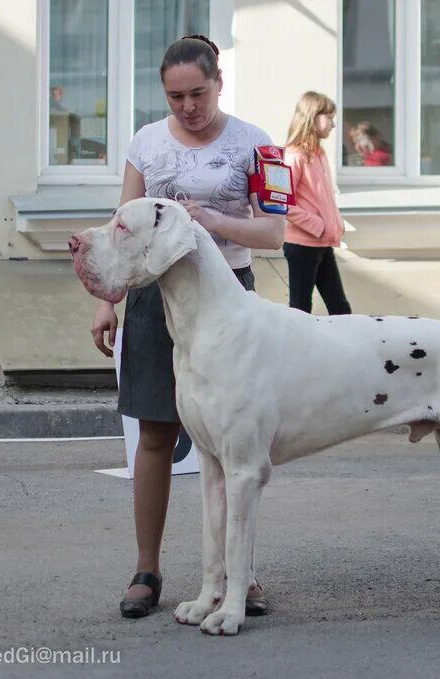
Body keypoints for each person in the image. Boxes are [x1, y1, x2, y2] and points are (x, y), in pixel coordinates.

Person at [90, 35, 285, 618]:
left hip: (230, 303)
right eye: (175, 97)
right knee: (155, 436)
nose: (187, 107)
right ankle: (146, 571)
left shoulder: (259, 144)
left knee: (234, 449)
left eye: (197, 94)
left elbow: (275, 234)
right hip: (156, 304)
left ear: (218, 82)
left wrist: (211, 221)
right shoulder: (145, 143)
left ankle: (238, 575)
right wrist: (107, 300)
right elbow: (120, 233)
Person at [282, 92, 351, 315]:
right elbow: (283, 202)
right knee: (300, 310)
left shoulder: (318, 154)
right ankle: (296, 351)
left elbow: (323, 200)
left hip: (321, 244)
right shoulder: (295, 156)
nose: (333, 124)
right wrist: (318, 225)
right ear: (312, 117)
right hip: (302, 245)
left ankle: (349, 351)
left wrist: (333, 226)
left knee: (340, 309)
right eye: (329, 117)